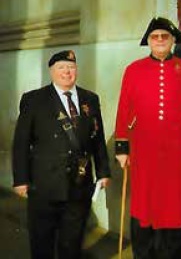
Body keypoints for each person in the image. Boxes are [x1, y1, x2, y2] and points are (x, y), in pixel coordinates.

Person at [115, 17, 181, 259]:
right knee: (144, 206)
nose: (159, 41)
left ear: (172, 40)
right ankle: (143, 254)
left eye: (164, 37)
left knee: (176, 205)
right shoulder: (133, 70)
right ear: (148, 41)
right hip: (143, 151)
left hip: (179, 152)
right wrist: (122, 146)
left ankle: (174, 254)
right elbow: (124, 107)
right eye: (154, 37)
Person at [12, 50, 111, 259]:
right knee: (42, 242)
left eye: (71, 67)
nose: (67, 72)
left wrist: (103, 171)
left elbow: (97, 138)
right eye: (61, 67)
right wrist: (21, 179)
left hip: (79, 183)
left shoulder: (90, 99)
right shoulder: (34, 99)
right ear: (51, 71)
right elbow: (21, 143)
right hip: (44, 184)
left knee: (72, 243)